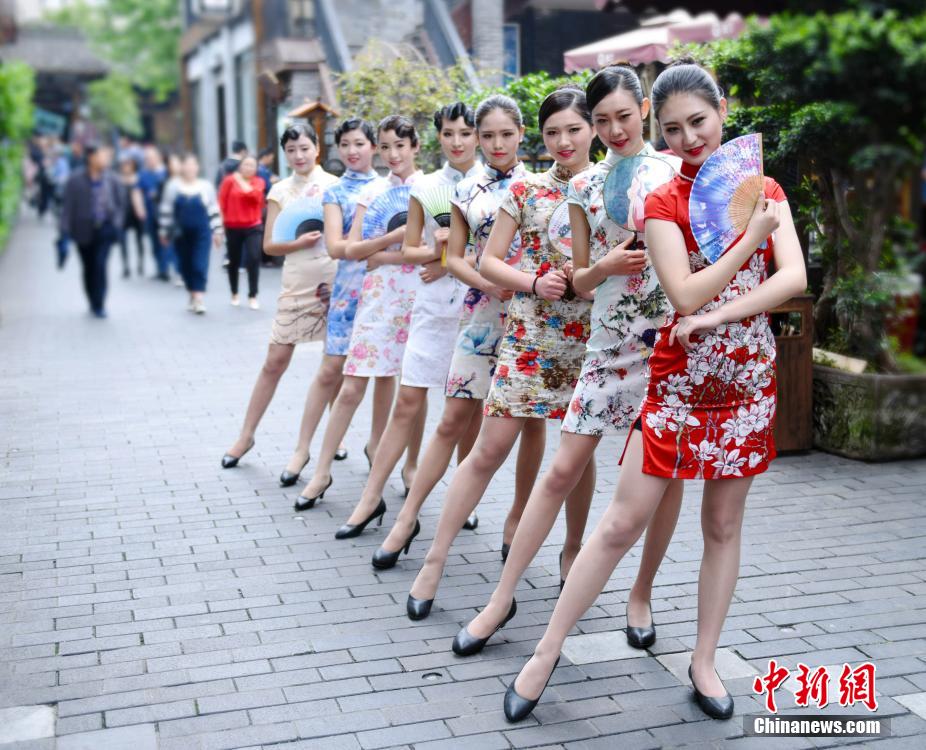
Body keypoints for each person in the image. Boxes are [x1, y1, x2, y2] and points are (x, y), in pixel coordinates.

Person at [501, 60, 807, 724]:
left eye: (699, 121)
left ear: (723, 110)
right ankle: (546, 651)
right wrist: (751, 240)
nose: (690, 138)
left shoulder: (763, 186)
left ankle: (704, 660)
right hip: (675, 382)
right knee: (618, 523)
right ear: (659, 133)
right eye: (673, 130)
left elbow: (794, 279)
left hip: (747, 380)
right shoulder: (666, 202)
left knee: (723, 525)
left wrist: (725, 313)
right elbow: (685, 292)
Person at [457, 65, 685, 660]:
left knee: (664, 482)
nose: (613, 130)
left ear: (644, 111)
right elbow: (581, 281)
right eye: (602, 120)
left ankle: (642, 594)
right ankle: (500, 599)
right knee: (560, 470)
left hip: (671, 341)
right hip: (609, 341)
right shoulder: (583, 188)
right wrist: (603, 269)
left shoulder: (680, 171)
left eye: (623, 117)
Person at [406, 88, 595, 621]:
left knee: (577, 457)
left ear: (593, 130)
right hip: (530, 334)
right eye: (553, 131)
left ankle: (574, 550)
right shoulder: (527, 190)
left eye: (574, 130)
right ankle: (434, 560)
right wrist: (534, 283)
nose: (563, 141)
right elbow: (487, 264)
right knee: (487, 450)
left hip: (593, 338)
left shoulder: (612, 188)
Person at [400, 95, 544, 620]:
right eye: (488, 136)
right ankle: (415, 526)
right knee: (453, 419)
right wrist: (490, 283)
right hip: (482, 316)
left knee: (530, 425)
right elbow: (452, 256)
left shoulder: (542, 186)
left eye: (506, 134)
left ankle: (516, 518)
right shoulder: (466, 188)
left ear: (522, 133)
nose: (497, 144)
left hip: (535, 321)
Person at [337, 102, 481, 553]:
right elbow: (412, 248)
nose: (457, 142)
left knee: (466, 410)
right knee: (408, 402)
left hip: (478, 308)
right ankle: (370, 497)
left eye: (465, 133)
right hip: (432, 307)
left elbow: (509, 249)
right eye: (449, 133)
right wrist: (440, 255)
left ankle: (465, 493)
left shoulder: (496, 183)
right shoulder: (428, 187)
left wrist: (455, 258)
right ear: (437, 138)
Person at [295, 115, 424, 518]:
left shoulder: (433, 188)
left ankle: (411, 466)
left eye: (400, 146)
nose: (392, 154)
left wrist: (384, 254)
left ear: (416, 146)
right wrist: (392, 243)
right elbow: (351, 250)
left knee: (411, 390)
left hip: (419, 296)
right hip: (376, 298)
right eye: (385, 147)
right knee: (351, 387)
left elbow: (441, 249)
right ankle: (320, 469)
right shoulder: (371, 191)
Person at [220, 124, 338, 469]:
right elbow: (269, 244)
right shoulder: (279, 190)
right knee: (275, 360)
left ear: (316, 147)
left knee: (334, 364)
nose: (298, 156)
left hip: (335, 284)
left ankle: (336, 435)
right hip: (296, 284)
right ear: (284, 153)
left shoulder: (335, 186)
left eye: (304, 147)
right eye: (291, 150)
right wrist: (297, 243)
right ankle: (246, 434)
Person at [276, 119, 381, 486]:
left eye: (360, 143)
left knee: (383, 377)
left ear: (374, 147)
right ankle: (302, 448)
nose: (353, 151)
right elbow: (338, 249)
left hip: (384, 294)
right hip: (346, 292)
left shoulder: (391, 188)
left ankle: (377, 447)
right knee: (329, 370)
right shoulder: (334, 192)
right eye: (346, 145)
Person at [59, 143, 125, 318]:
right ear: (91, 157)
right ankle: (92, 299)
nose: (106, 159)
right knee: (88, 267)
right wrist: (64, 232)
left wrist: (117, 224)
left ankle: (100, 303)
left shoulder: (112, 179)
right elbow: (67, 209)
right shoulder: (75, 180)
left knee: (101, 265)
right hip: (82, 231)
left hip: (105, 229)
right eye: (102, 155)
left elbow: (121, 205)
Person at [158, 153, 223, 314]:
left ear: (197, 167)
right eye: (187, 164)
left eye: (193, 164)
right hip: (181, 234)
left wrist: (218, 231)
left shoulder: (205, 186)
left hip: (202, 232)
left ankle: (199, 298)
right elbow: (166, 210)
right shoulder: (173, 186)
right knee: (185, 265)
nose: (190, 168)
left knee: (199, 264)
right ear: (182, 167)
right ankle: (192, 293)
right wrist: (164, 232)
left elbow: (214, 210)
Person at [218, 154, 266, 309]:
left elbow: (253, 195)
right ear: (240, 166)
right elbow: (221, 203)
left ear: (256, 168)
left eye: (252, 165)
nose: (248, 168)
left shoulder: (259, 182)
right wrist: (219, 226)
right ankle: (234, 292)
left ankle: (253, 295)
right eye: (246, 164)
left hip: (253, 226)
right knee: (234, 260)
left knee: (253, 257)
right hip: (233, 226)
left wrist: (238, 179)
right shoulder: (228, 181)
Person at [138, 146, 170, 280]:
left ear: (158, 158)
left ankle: (165, 268)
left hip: (166, 214)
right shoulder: (143, 174)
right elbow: (137, 192)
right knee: (154, 241)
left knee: (165, 240)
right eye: (146, 158)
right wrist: (140, 209)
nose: (149, 161)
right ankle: (159, 267)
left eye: (151, 158)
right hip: (150, 213)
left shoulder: (166, 173)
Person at [117, 157, 147, 278]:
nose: (127, 167)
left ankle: (140, 263)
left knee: (139, 240)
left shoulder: (139, 179)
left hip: (137, 213)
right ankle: (126, 266)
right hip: (123, 214)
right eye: (125, 165)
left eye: (129, 165)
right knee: (123, 241)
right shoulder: (118, 180)